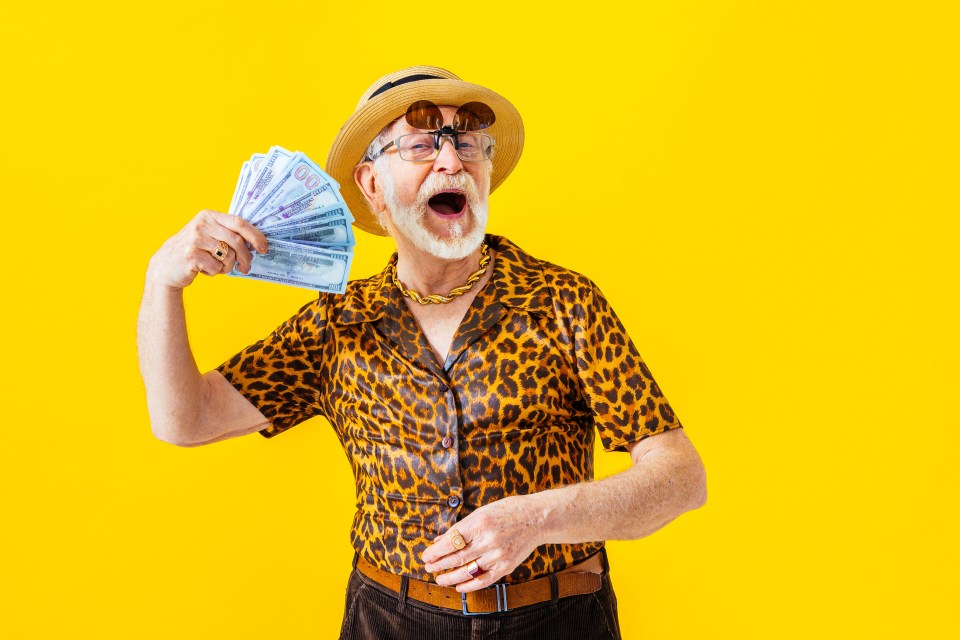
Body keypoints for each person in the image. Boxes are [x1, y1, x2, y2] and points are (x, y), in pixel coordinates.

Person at [137, 66, 707, 639]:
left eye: (466, 143)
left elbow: (681, 477)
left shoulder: (563, 302)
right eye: (421, 144)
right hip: (388, 620)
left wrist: (538, 518)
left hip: (558, 620)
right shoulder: (338, 326)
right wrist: (163, 283)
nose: (452, 160)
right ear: (371, 185)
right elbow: (184, 420)